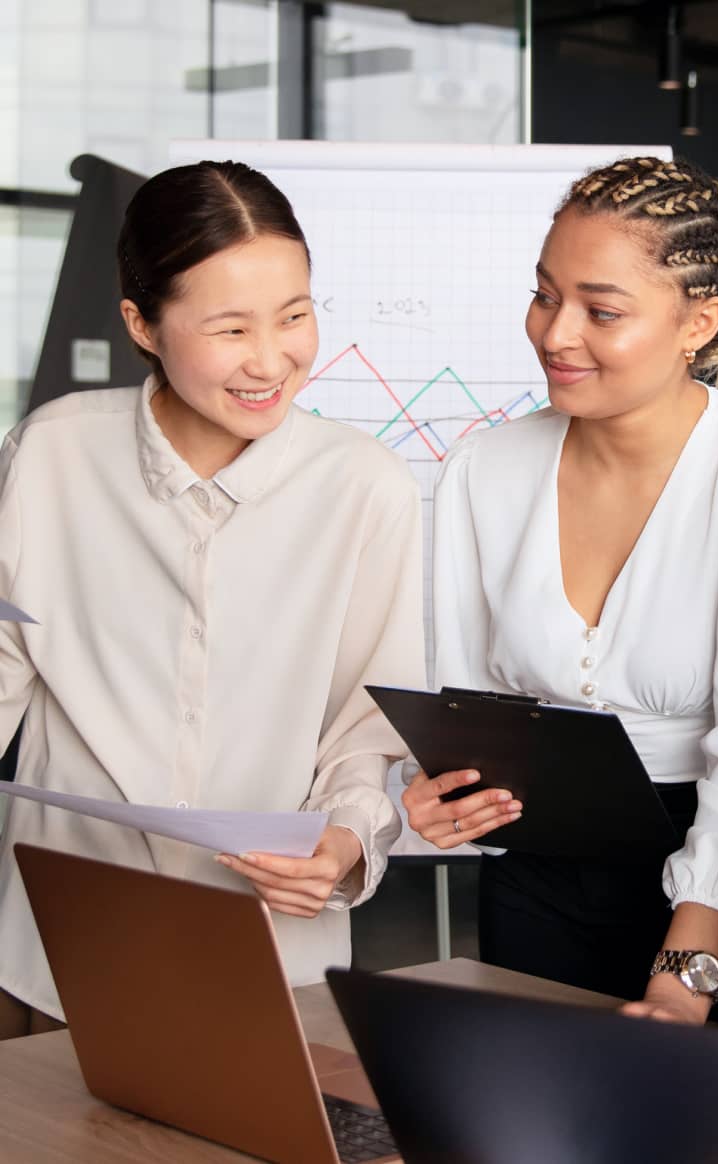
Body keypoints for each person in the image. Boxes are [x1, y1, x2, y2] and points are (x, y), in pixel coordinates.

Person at [402, 156, 718, 1019]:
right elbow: (464, 708)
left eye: (601, 311)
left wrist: (685, 977)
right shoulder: (483, 469)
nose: (555, 334)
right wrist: (445, 794)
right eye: (544, 295)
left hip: (711, 890)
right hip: (532, 876)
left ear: (699, 322)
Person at [0, 161, 425, 1038]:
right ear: (141, 325)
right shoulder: (50, 454)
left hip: (274, 963)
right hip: (58, 956)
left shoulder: (364, 487)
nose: (271, 359)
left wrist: (341, 847)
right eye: (230, 328)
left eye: (296, 316)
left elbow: (366, 728)